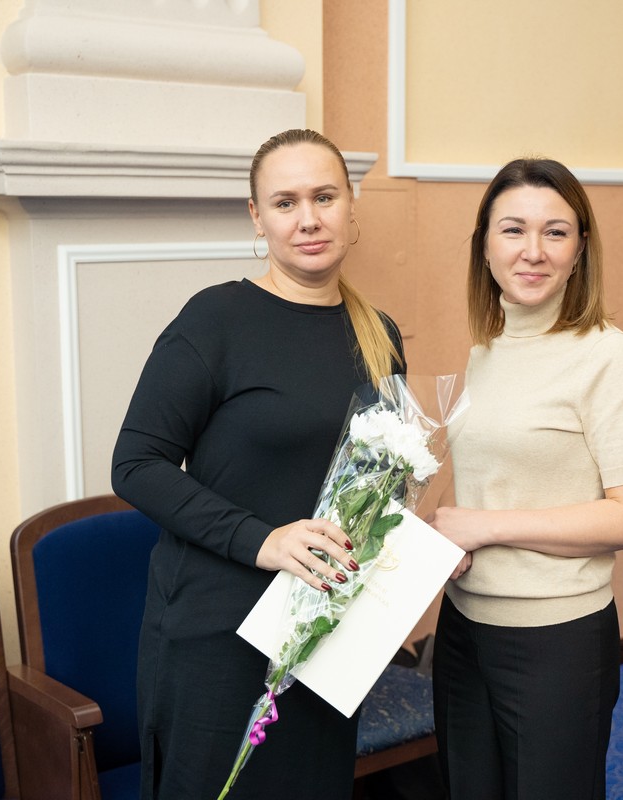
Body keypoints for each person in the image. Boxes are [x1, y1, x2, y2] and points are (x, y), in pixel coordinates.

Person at [111, 129, 406, 800]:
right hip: (216, 636)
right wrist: (263, 540)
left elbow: (378, 482)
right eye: (285, 202)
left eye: (324, 197)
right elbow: (136, 463)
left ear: (351, 205)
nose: (309, 219)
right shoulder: (215, 319)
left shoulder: (379, 333)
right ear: (257, 216)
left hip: (324, 628)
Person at [427, 158, 623, 800]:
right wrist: (444, 535)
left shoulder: (609, 355)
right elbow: (492, 476)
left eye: (555, 232)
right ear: (484, 245)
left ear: (580, 248)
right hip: (463, 625)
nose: (533, 251)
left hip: (555, 638)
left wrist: (485, 527)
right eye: (513, 230)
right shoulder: (489, 347)